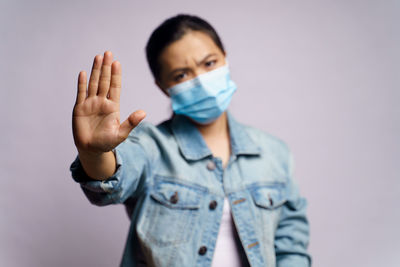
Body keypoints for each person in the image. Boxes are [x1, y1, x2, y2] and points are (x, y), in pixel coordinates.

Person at [70, 14, 311, 267]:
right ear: (163, 86)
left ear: (225, 58)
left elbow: (291, 246)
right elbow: (113, 178)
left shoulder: (274, 153)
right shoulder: (151, 146)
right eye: (181, 75)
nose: (201, 81)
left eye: (209, 63)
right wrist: (94, 154)